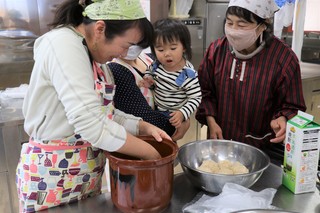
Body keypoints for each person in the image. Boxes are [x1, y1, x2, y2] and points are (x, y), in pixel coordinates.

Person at [15, 0, 171, 212]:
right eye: (125, 46)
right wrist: (149, 154)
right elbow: (90, 122)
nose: (123, 54)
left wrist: (142, 127)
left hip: (85, 176)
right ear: (100, 29)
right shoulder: (63, 45)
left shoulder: (97, 60)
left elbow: (105, 114)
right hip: (50, 179)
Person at [195, 0, 306, 150]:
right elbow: (204, 92)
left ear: (263, 26)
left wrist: (283, 118)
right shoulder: (216, 51)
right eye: (229, 23)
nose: (234, 30)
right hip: (219, 144)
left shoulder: (284, 59)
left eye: (241, 25)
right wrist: (211, 122)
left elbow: (293, 105)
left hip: (263, 149)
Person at [108, 48, 190, 141]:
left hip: (166, 137)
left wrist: (184, 115)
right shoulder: (116, 70)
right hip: (144, 144)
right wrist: (181, 121)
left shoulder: (149, 58)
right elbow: (147, 119)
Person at [141, 18, 202, 129]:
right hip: (157, 109)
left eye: (173, 48)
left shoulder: (188, 74)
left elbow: (196, 98)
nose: (167, 54)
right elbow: (149, 71)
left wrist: (182, 113)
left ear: (184, 47)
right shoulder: (156, 65)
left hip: (174, 115)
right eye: (160, 50)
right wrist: (148, 78)